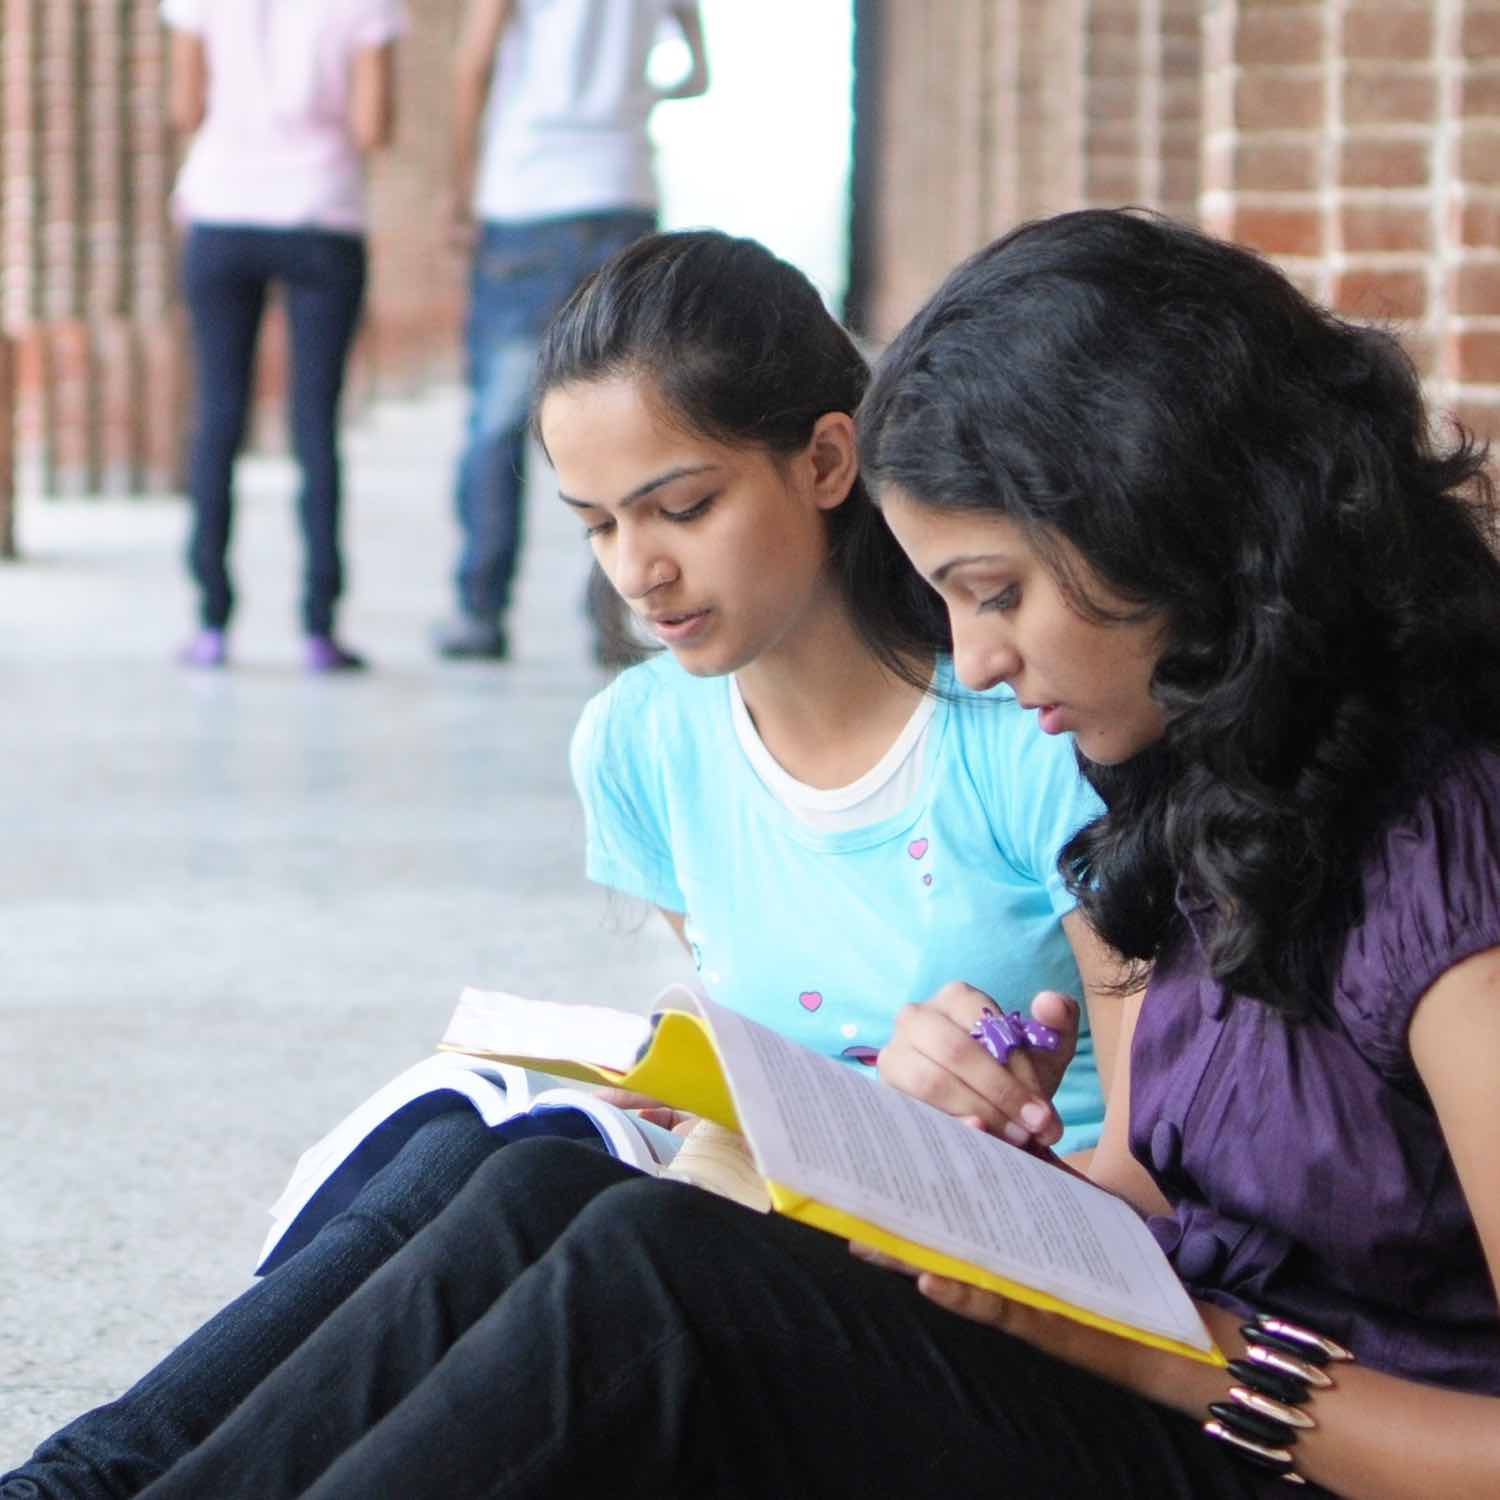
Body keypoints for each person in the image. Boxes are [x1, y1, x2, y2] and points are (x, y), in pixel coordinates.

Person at [76, 207, 1499, 1500]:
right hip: (1162, 1382)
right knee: (541, 1186)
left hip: (1286, 1456)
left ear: (1177, 523)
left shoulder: (1453, 872)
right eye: (953, 600)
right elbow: (1153, 1183)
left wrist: (1183, 1356)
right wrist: (965, 1183)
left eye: (997, 593)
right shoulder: (1209, 780)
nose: (983, 660)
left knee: (653, 1291)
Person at [0, 230, 1109, 1500]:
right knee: (493, 1145)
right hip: (784, 1211)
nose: (640, 569)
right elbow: (756, 1039)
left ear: (824, 458)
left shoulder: (1027, 738)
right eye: (597, 526)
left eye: (682, 508)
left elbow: (1151, 1163)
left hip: (969, 1282)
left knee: (582, 1225)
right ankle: (75, 1485)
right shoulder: (645, 741)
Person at [432, 0, 709, 662]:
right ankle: (615, 609)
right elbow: (698, 73)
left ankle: (481, 609)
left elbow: (472, 64)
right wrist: (633, 99)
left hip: (527, 194)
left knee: (498, 418)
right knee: (628, 420)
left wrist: (459, 187)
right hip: (621, 191)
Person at [167, 0, 405, 674]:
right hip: (320, 212)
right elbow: (373, 124)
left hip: (221, 208)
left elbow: (185, 107)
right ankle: (318, 627)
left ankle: (211, 621)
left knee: (217, 416)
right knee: (314, 426)